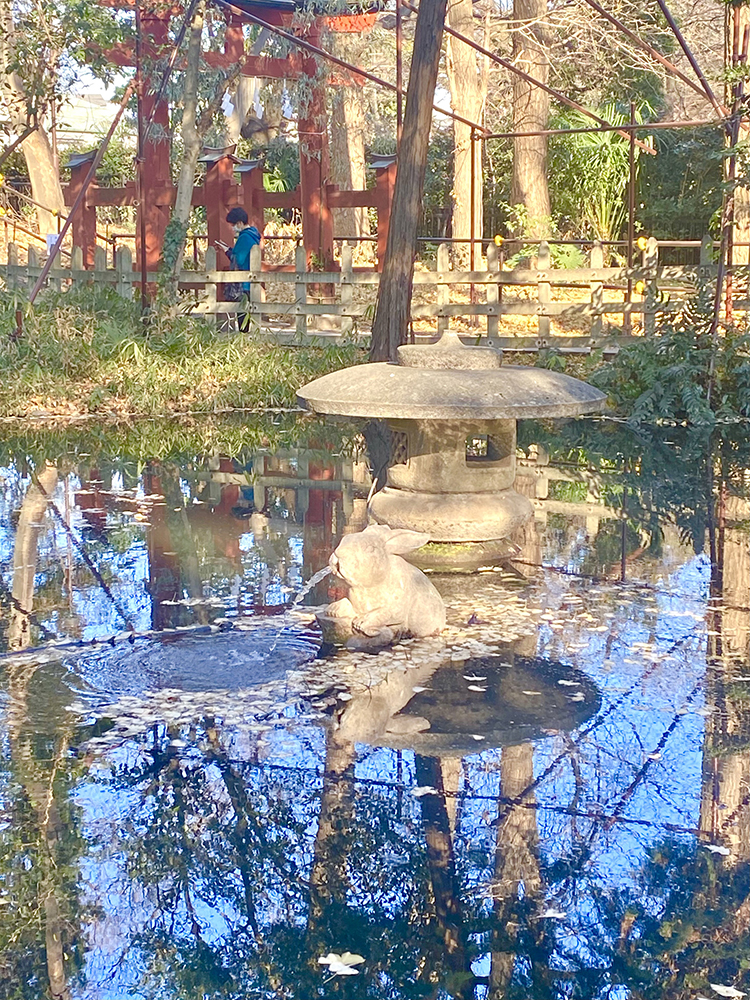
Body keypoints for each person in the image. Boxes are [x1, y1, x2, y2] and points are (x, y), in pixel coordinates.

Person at [215, 207, 261, 331]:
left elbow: (238, 259)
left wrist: (227, 252)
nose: (232, 228)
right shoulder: (253, 235)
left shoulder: (243, 238)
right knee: (248, 313)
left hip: (243, 283)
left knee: (242, 313)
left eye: (233, 225)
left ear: (240, 223)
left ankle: (243, 337)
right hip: (251, 281)